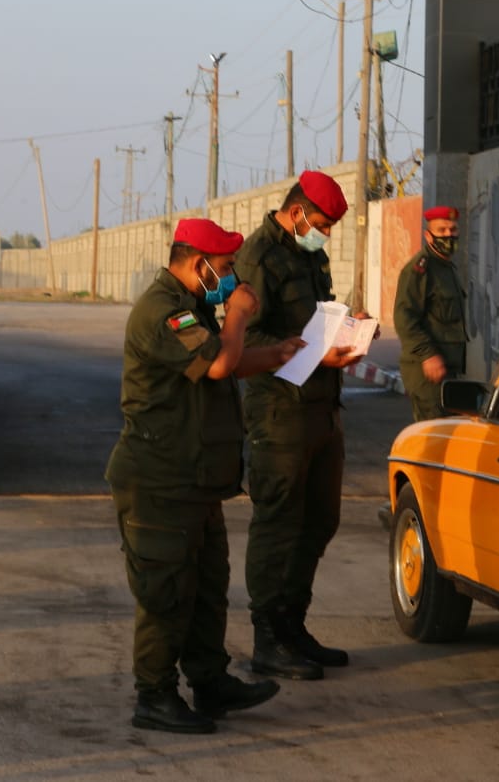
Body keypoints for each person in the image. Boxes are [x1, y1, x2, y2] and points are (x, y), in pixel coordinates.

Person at [107, 217, 303, 733]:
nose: (233, 277)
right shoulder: (163, 311)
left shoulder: (191, 305)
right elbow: (218, 363)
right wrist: (238, 314)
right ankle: (154, 695)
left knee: (207, 586)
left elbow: (228, 362)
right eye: (225, 268)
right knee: (165, 593)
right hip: (158, 481)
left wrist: (275, 355)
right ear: (198, 265)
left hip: (192, 480)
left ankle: (209, 682)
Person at [237, 170, 365, 681]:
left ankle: (293, 625)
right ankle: (267, 638)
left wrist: (348, 329)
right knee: (278, 522)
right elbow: (247, 336)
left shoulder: (309, 255)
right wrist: (312, 349)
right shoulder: (258, 258)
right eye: (322, 223)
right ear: (296, 213)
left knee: (320, 519)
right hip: (280, 409)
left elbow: (316, 318)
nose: (326, 233)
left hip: (321, 404)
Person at [394, 205, 469, 421]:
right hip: (427, 372)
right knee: (434, 435)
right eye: (442, 230)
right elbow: (404, 318)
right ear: (428, 236)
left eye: (453, 230)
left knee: (446, 435)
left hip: (447, 370)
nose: (449, 235)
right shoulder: (419, 269)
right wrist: (427, 355)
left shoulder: (446, 267)